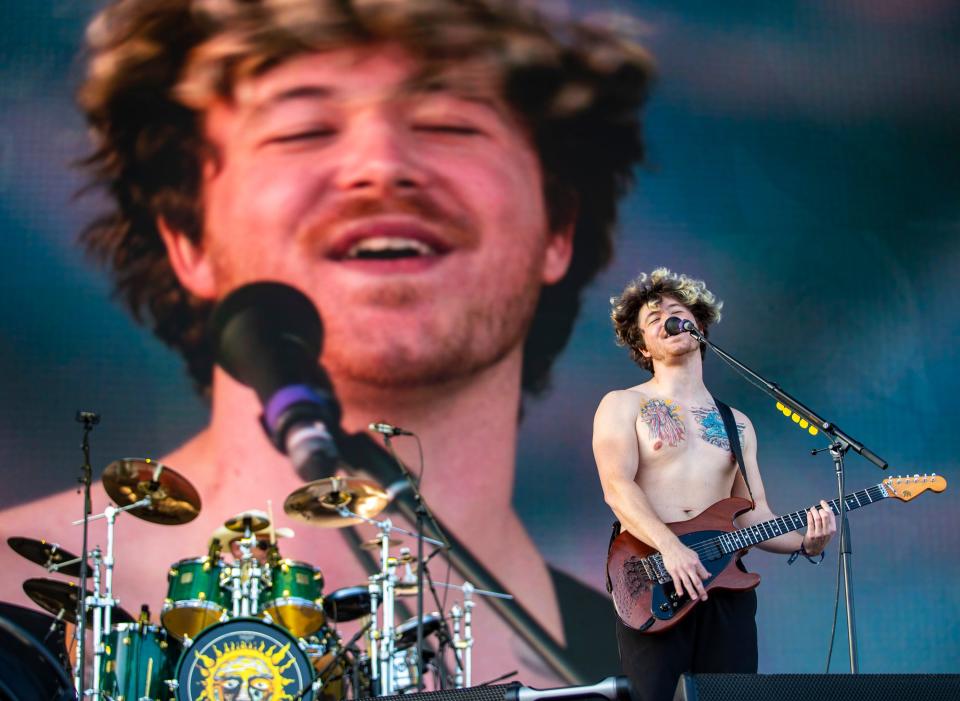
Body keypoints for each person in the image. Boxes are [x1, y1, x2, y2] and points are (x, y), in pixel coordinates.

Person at [0, 0, 654, 687]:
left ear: (559, 227)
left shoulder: (653, 663)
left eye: (449, 123)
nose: (380, 165)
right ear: (186, 239)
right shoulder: (14, 614)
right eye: (301, 129)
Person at [593, 268, 837, 701]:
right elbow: (616, 487)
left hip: (723, 581)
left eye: (676, 311)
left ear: (699, 325)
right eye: (653, 320)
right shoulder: (623, 404)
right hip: (654, 578)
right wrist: (671, 547)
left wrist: (806, 543)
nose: (667, 319)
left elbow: (754, 513)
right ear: (641, 346)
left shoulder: (737, 423)